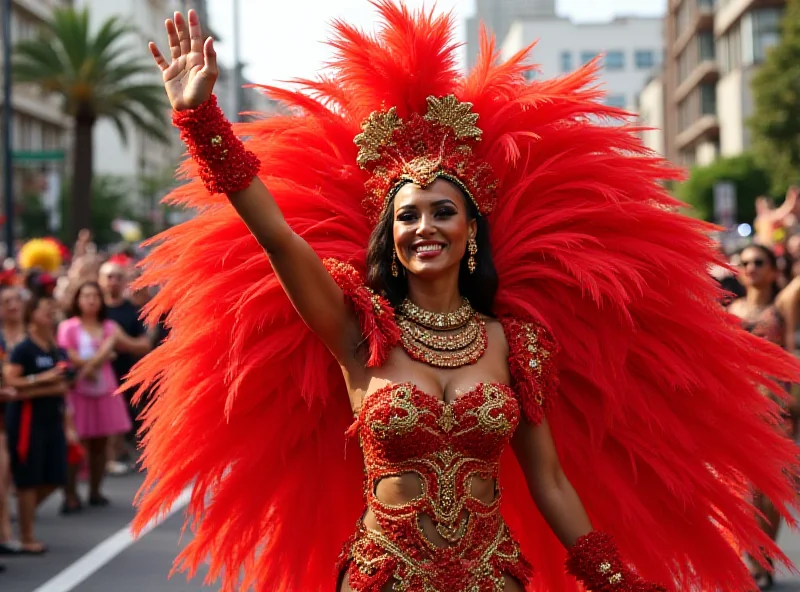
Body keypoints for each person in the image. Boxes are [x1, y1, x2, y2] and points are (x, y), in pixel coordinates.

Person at [130, 6, 800, 591]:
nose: (424, 227)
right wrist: (201, 117)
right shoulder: (359, 330)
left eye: (442, 211)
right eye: (408, 215)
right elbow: (277, 238)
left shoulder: (513, 342)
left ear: (470, 230)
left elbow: (551, 483)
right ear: (389, 238)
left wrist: (614, 579)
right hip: (385, 576)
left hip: (491, 578)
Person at [2, 294, 69, 554]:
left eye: (52, 310)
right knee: (28, 478)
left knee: (56, 475)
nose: (50, 314)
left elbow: (66, 381)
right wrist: (43, 380)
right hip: (26, 420)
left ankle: (21, 510)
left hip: (52, 418)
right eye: (44, 310)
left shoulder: (54, 346)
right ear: (32, 317)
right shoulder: (23, 348)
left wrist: (57, 382)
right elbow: (11, 382)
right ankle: (27, 535)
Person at [57, 282, 133, 511]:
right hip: (77, 392)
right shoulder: (68, 327)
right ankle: (70, 493)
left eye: (94, 296)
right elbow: (68, 356)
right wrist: (101, 356)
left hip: (103, 391)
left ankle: (95, 491)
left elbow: (132, 346)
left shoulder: (109, 326)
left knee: (101, 445)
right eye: (86, 295)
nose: (90, 300)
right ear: (77, 300)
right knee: (76, 445)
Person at [97, 262, 150, 473]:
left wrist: (121, 341)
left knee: (124, 418)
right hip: (98, 375)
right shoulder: (92, 308)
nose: (113, 281)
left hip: (127, 375)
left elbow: (144, 344)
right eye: (108, 276)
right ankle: (105, 459)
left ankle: (118, 454)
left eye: (118, 277)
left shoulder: (132, 311)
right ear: (100, 280)